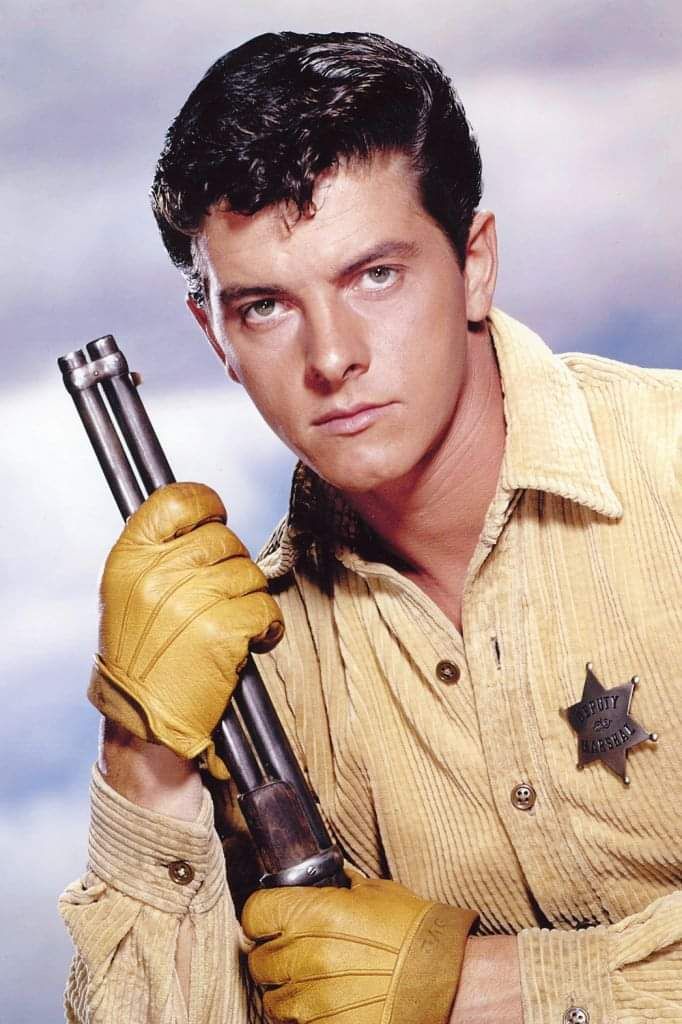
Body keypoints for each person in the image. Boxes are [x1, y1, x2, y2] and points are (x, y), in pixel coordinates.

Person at [59, 30, 682, 1024]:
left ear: (474, 264)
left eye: (375, 276)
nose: (331, 357)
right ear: (214, 334)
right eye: (266, 307)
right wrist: (142, 760)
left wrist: (491, 985)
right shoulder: (251, 667)